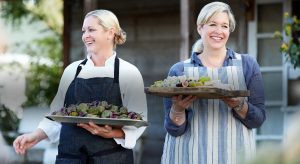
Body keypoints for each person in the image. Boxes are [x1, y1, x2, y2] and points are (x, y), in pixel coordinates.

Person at [13, 9, 147, 164]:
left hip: (111, 158)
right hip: (70, 158)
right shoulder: (71, 71)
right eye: (84, 31)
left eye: (91, 30)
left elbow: (139, 120)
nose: (85, 36)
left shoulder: (129, 72)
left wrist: (111, 133)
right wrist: (35, 135)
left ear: (110, 33)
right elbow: (56, 115)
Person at [161, 2, 265, 164]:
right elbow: (174, 130)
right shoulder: (179, 70)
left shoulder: (247, 65)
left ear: (229, 30)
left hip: (234, 157)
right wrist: (178, 109)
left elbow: (257, 120)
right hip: (188, 157)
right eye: (212, 24)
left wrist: (238, 105)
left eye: (224, 26)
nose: (219, 31)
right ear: (200, 28)